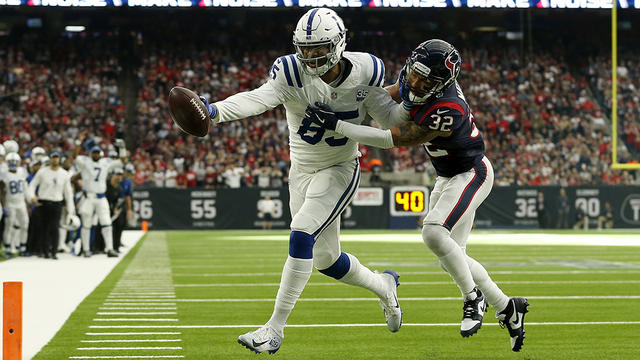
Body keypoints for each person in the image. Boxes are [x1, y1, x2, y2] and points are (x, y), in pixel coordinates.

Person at [198, 8, 408, 354]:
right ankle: (384, 286)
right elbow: (259, 98)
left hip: (340, 168)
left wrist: (416, 105)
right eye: (305, 49)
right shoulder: (289, 70)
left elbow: (389, 120)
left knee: (301, 233)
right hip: (300, 172)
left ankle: (274, 329)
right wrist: (215, 112)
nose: (310, 56)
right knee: (326, 259)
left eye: (318, 48)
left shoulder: (368, 71)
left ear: (339, 44)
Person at [306, 39, 529, 352]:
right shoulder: (414, 77)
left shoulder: (448, 108)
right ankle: (507, 307)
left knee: (434, 234)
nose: (416, 82)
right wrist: (342, 101)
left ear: (443, 83)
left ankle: (472, 298)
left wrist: (339, 125)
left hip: (471, 173)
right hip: (447, 175)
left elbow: (390, 138)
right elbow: (381, 96)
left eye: (426, 80)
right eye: (414, 75)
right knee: (453, 256)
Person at [72, 135, 126, 258]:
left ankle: (109, 249)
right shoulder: (86, 162)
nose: (95, 154)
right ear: (90, 153)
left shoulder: (105, 162)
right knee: (86, 224)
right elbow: (75, 156)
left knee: (106, 222)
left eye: (97, 153)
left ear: (100, 154)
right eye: (94, 153)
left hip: (101, 197)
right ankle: (86, 249)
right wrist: (77, 143)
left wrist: (122, 148)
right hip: (89, 197)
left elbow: (122, 162)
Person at [29, 152, 75, 259]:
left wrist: (70, 208)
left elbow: (68, 193)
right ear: (50, 159)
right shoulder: (43, 172)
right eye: (53, 158)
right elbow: (32, 185)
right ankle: (45, 251)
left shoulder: (64, 174)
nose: (55, 160)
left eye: (56, 158)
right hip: (43, 202)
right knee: (44, 227)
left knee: (54, 227)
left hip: (56, 203)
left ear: (59, 159)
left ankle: (54, 251)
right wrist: (32, 197)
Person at [0, 153, 32, 257]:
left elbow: (25, 189)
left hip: (21, 203)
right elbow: (2, 192)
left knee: (25, 225)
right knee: (9, 226)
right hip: (10, 203)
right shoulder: (4, 174)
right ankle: (8, 248)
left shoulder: (22, 172)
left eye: (15, 161)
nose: (13, 163)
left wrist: (28, 203)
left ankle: (22, 247)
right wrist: (3, 205)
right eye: (11, 161)